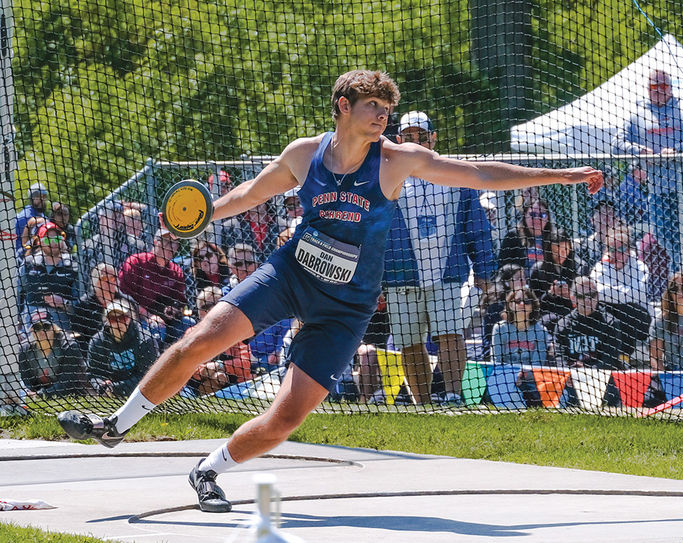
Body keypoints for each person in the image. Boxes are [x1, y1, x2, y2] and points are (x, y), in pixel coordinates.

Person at [57, 70, 601, 513]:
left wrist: (559, 178)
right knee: (201, 340)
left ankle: (209, 469)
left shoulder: (396, 160)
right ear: (343, 105)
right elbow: (251, 191)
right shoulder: (304, 154)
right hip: (288, 276)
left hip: (346, 308)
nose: (383, 117)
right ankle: (114, 425)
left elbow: (477, 175)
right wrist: (203, 216)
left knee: (288, 417)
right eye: (373, 107)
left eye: (387, 110)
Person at [384, 111, 498, 406]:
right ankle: (422, 402)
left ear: (433, 138)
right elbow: (373, 231)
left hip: (448, 271)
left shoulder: (456, 174)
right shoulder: (387, 176)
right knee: (409, 343)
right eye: (408, 136)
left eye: (421, 135)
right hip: (400, 274)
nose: (415, 141)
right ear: (399, 140)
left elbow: (477, 227)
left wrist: (485, 270)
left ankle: (453, 395)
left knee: (450, 333)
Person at [612, 69, 683, 276]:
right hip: (658, 190)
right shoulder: (637, 115)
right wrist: (639, 151)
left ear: (671, 88)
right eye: (654, 86)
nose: (659, 90)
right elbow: (616, 144)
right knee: (663, 234)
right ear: (647, 89)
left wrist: (677, 150)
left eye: (664, 86)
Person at [119, 228, 195, 347]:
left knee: (190, 324)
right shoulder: (136, 262)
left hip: (166, 319)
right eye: (167, 241)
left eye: (175, 243)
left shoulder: (176, 271)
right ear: (155, 241)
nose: (171, 246)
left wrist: (173, 309)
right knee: (157, 329)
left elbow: (180, 301)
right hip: (138, 319)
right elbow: (123, 294)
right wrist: (148, 315)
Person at [590, 223, 652, 359]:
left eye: (621, 249)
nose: (617, 254)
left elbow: (638, 293)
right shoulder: (600, 267)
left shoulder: (640, 266)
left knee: (628, 310)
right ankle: (604, 357)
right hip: (612, 314)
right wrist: (625, 291)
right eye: (612, 249)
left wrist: (611, 290)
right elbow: (597, 292)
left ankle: (623, 357)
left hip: (638, 320)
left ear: (629, 249)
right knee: (603, 310)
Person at [185, 287, 253, 396]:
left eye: (216, 304)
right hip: (202, 385)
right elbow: (188, 367)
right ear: (199, 312)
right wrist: (208, 372)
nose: (211, 309)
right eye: (206, 306)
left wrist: (219, 366)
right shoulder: (192, 333)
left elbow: (245, 364)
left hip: (236, 388)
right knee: (210, 384)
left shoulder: (236, 330)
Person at [87, 300, 159, 397]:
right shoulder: (97, 341)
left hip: (140, 394)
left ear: (130, 318)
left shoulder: (146, 341)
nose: (118, 323)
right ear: (107, 320)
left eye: (122, 318)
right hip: (108, 394)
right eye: (112, 319)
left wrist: (114, 388)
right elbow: (93, 372)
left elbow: (147, 377)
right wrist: (100, 385)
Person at [551, 276, 623, 370]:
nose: (587, 300)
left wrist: (586, 370)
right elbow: (559, 357)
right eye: (582, 296)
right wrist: (568, 373)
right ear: (573, 298)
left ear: (597, 296)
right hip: (571, 378)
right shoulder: (563, 325)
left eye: (592, 295)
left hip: (601, 378)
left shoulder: (610, 323)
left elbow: (610, 360)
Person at [19, 221, 78, 333]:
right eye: (47, 240)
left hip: (61, 330)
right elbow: (16, 294)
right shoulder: (28, 264)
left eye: (57, 239)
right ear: (40, 242)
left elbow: (81, 305)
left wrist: (64, 303)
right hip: (31, 327)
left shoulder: (73, 265)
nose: (53, 243)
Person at [18, 309, 88, 397]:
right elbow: (27, 381)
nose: (42, 332)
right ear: (31, 330)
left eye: (46, 327)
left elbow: (68, 382)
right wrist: (32, 394)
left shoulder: (69, 346)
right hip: (37, 395)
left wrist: (41, 395)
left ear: (54, 327)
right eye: (37, 328)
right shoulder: (24, 350)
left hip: (72, 395)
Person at [71, 263, 136, 357]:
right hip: (96, 354)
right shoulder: (83, 306)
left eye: (113, 278)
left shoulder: (127, 302)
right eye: (105, 279)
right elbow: (78, 338)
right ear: (95, 282)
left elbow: (136, 330)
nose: (110, 282)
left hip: (127, 352)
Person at [529, 227, 578, 332]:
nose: (561, 254)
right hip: (547, 316)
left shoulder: (578, 267)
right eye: (556, 251)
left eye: (565, 250)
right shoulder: (538, 270)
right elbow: (534, 304)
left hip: (572, 314)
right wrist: (550, 294)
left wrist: (570, 295)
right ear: (549, 250)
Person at [649, 272, 683, 371]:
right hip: (671, 379)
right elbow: (655, 358)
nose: (680, 293)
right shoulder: (660, 321)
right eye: (674, 289)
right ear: (670, 294)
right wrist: (666, 380)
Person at [497, 198, 553, 277]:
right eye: (533, 214)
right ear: (525, 215)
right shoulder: (513, 237)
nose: (537, 219)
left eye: (542, 215)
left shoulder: (552, 239)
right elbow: (502, 267)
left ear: (547, 218)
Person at [15, 182, 48, 261]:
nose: (42, 199)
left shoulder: (42, 215)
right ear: (32, 198)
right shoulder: (25, 216)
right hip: (23, 257)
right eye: (38, 196)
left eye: (44, 196)